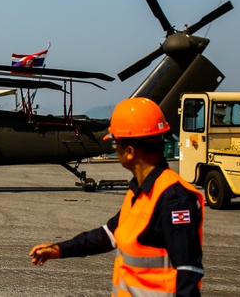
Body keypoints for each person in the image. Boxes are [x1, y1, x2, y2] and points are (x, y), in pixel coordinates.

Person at [29, 97, 204, 296]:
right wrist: (60, 249)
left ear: (129, 151)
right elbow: (109, 234)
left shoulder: (174, 199)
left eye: (115, 143)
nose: (115, 149)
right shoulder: (141, 190)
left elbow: (189, 272)